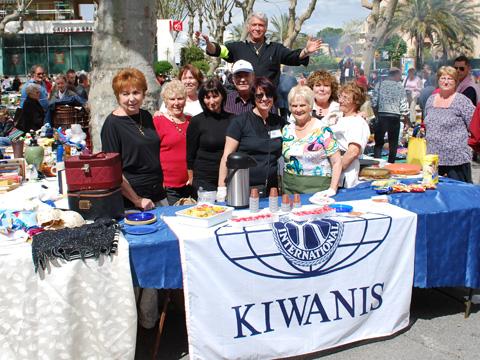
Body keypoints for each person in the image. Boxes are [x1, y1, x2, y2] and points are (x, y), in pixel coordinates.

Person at [101, 67, 167, 210]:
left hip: (157, 193)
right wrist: (137, 200)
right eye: (125, 94)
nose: (131, 99)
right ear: (117, 96)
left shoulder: (146, 116)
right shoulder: (112, 124)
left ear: (143, 94)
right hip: (133, 201)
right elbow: (113, 170)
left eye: (136, 92)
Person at [198, 12, 321, 87]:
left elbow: (294, 57)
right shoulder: (237, 47)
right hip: (243, 103)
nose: (257, 28)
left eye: (261, 25)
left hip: (268, 103)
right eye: (254, 25)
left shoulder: (275, 48)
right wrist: (208, 43)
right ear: (248, 27)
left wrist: (306, 51)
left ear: (266, 28)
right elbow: (218, 50)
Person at [217, 77, 286, 201]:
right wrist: (222, 188)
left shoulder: (279, 122)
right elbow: (226, 156)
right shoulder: (240, 122)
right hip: (242, 188)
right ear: (254, 98)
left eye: (268, 94)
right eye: (259, 95)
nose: (264, 99)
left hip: (271, 189)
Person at [281, 85, 342, 195]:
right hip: (289, 188)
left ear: (310, 106)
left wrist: (333, 189)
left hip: (318, 189)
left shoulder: (323, 130)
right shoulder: (286, 130)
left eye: (302, 105)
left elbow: (337, 161)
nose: (298, 109)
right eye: (294, 106)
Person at [424, 66, 475, 183]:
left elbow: (474, 125)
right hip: (433, 160)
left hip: (456, 160)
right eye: (443, 78)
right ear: (438, 80)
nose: (446, 82)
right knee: (433, 193)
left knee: (459, 195)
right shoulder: (430, 100)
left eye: (450, 79)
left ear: (456, 82)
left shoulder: (462, 101)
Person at [187, 79, 233, 193]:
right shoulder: (197, 121)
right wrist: (191, 178)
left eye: (215, 96)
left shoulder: (233, 120)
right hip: (204, 179)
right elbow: (190, 154)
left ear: (222, 96)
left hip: (229, 178)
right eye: (207, 97)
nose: (211, 101)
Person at [154, 80, 194, 205]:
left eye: (180, 98)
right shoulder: (158, 121)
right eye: (172, 99)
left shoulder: (191, 120)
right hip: (169, 186)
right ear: (165, 101)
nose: (176, 103)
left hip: (190, 183)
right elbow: (152, 153)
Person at [330, 82, 371, 188]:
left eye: (345, 98)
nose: (340, 101)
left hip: (345, 174)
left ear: (355, 101)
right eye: (340, 96)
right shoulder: (340, 119)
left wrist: (336, 171)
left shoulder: (358, 122)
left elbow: (353, 151)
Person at [371, 67, 409, 163]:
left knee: (379, 143)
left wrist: (376, 115)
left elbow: (374, 103)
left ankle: (377, 164)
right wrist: (406, 120)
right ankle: (391, 163)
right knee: (393, 143)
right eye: (400, 76)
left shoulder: (379, 85)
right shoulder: (399, 86)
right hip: (394, 117)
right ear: (395, 75)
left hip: (381, 116)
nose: (400, 78)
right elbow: (404, 105)